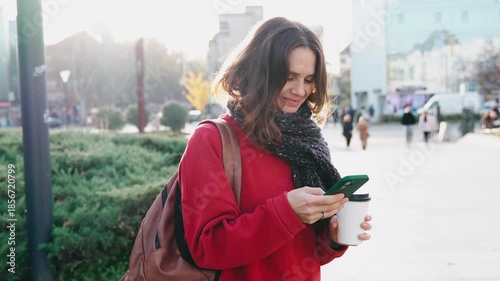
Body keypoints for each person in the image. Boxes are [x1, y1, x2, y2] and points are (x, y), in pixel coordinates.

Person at [177, 17, 372, 281]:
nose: (300, 90)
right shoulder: (212, 139)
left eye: (309, 79)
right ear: (260, 71)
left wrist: (333, 238)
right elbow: (206, 247)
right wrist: (286, 213)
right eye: (289, 77)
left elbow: (304, 250)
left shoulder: (306, 140)